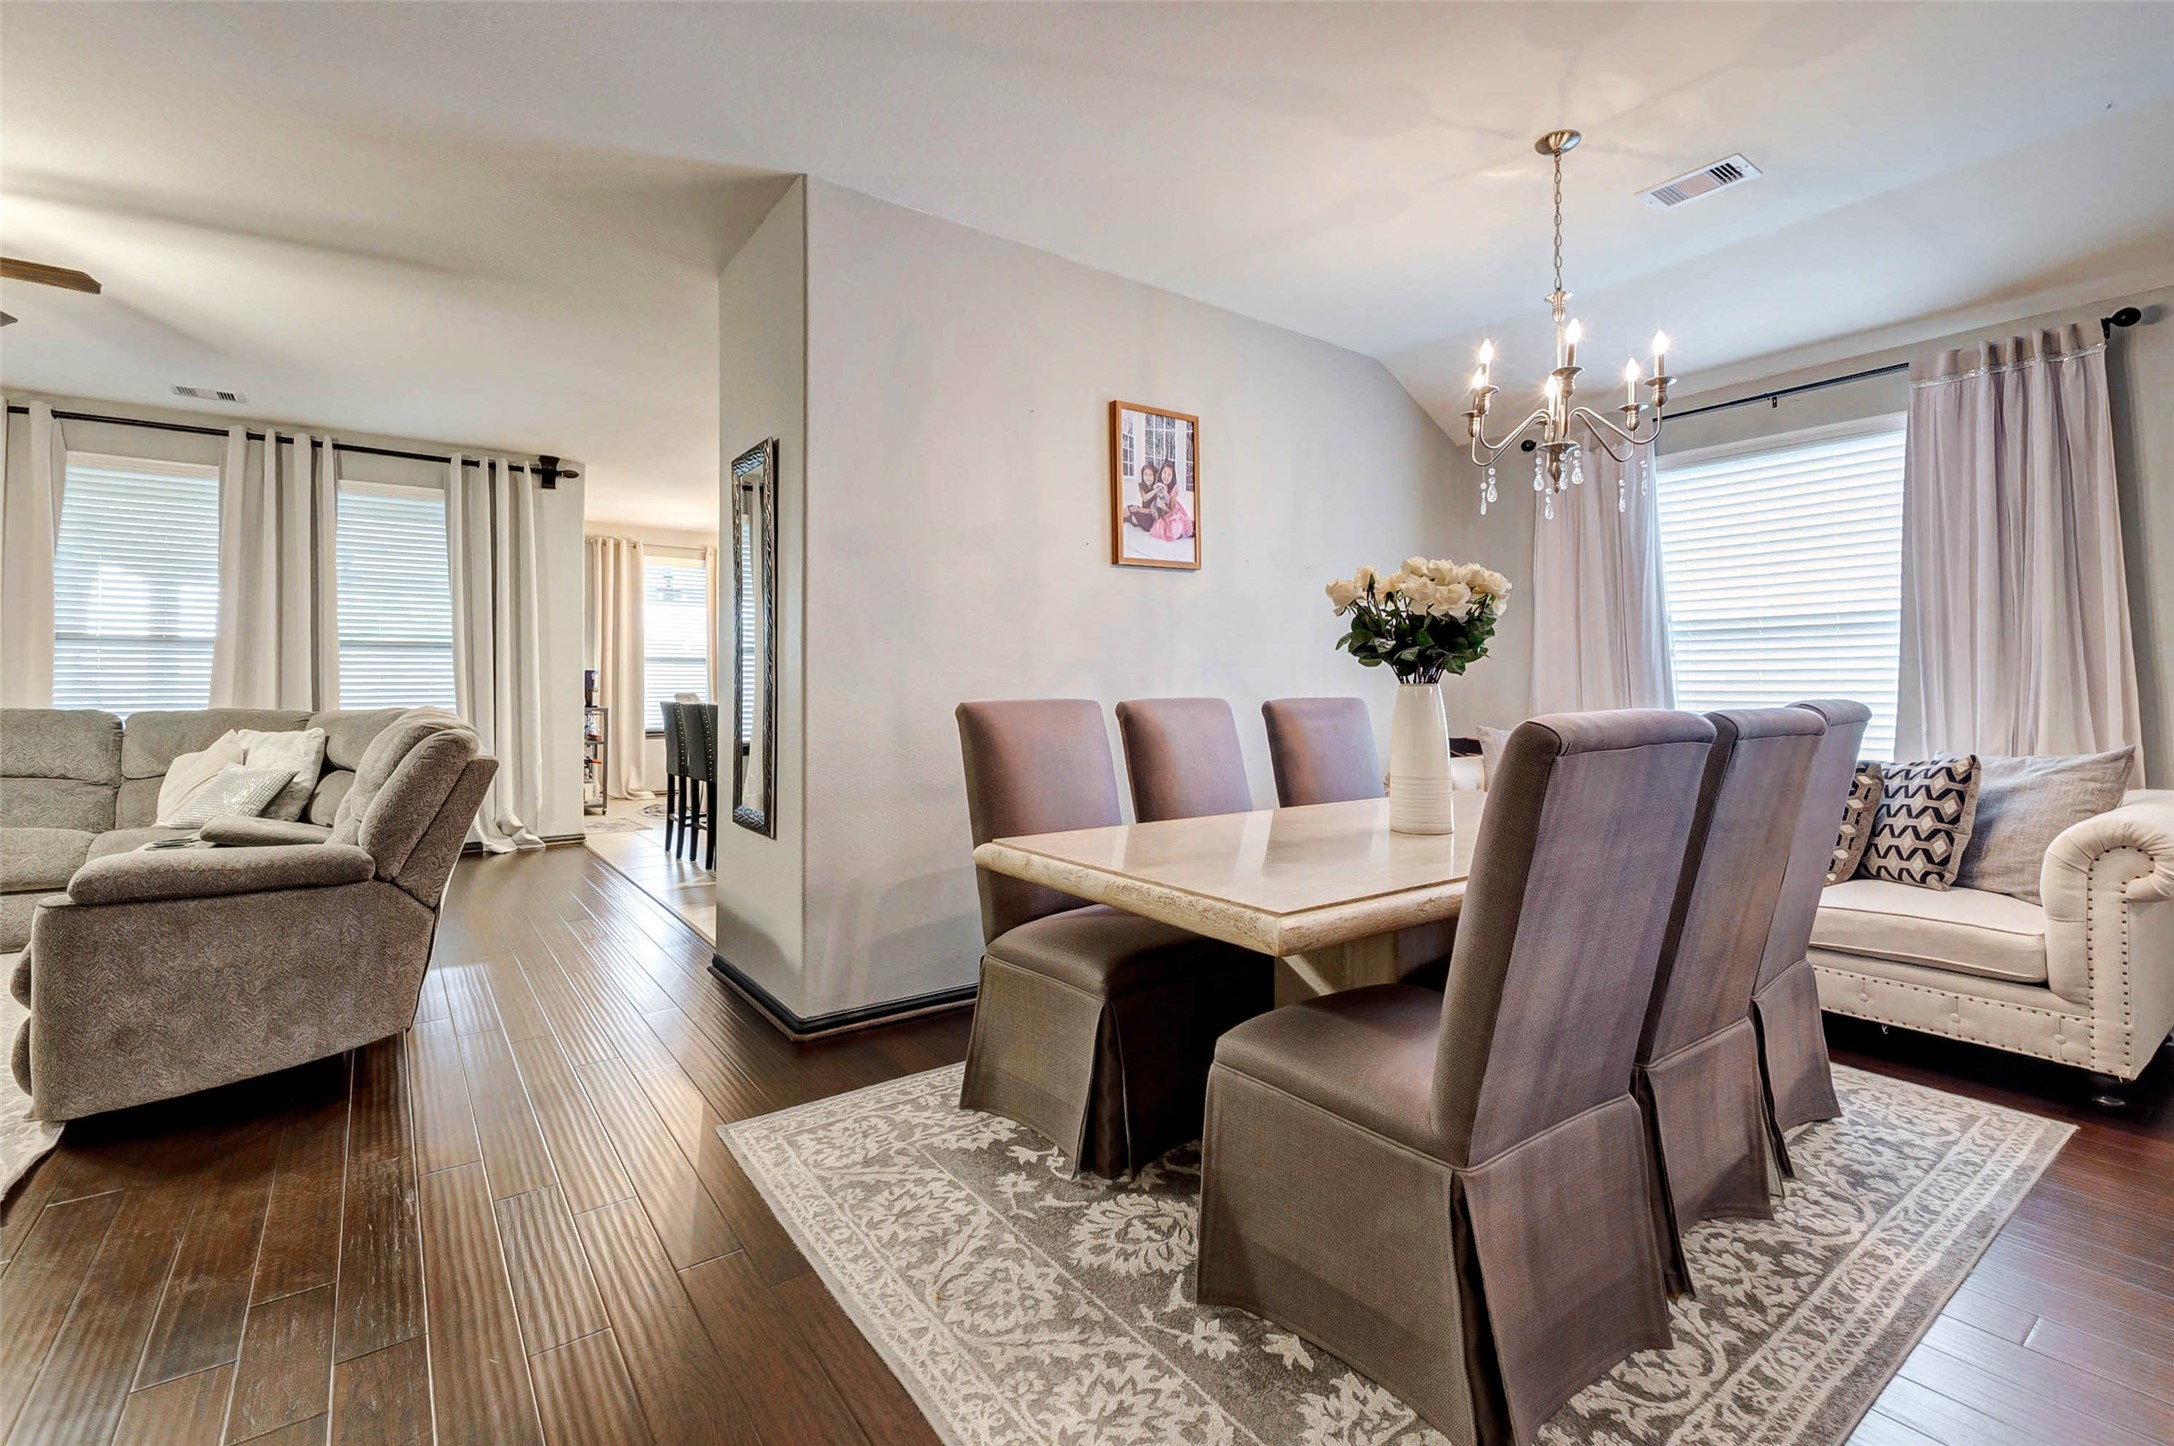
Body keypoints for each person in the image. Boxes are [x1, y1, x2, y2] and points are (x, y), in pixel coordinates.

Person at [1148, 457, 1193, 541]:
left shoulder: (1174, 489)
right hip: (1164, 514)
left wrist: (1164, 508)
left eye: (1169, 475)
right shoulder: (1159, 486)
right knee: (1160, 526)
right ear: (1161, 473)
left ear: (1172, 477)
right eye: (1164, 473)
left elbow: (1172, 509)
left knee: (1175, 526)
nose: (1166, 476)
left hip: (1173, 512)